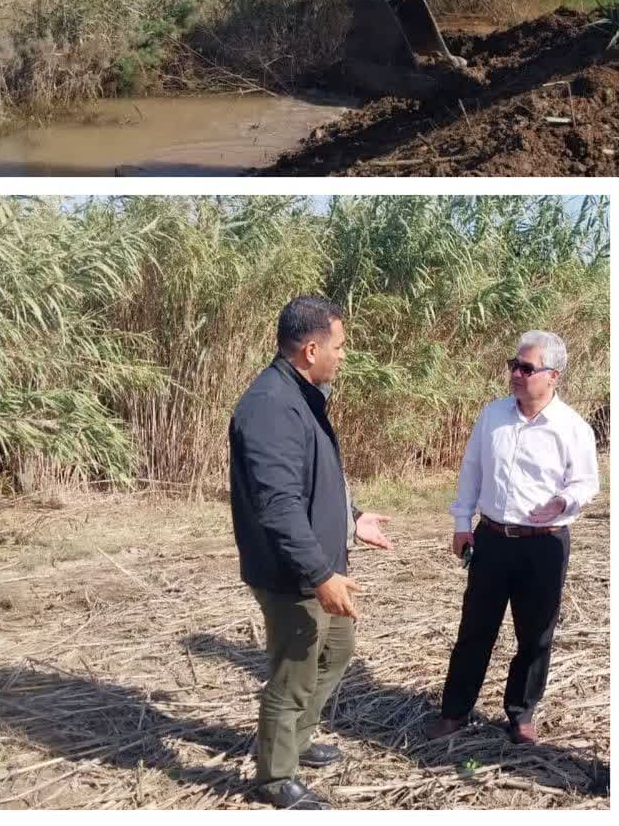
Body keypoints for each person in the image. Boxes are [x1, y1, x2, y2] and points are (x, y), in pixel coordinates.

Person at [229, 296, 394, 810]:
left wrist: (352, 517)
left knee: (337, 649)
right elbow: (277, 505)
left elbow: (313, 482)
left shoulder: (303, 394)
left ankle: (296, 740)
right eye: (339, 347)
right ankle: (275, 777)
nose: (343, 356)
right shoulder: (270, 407)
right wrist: (320, 572)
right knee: (294, 670)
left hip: (321, 565)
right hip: (293, 573)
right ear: (310, 348)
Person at [426, 330, 600, 746]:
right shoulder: (493, 416)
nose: (516, 374)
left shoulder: (572, 427)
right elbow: (472, 471)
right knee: (474, 629)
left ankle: (521, 714)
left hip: (544, 544)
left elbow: (586, 483)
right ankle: (454, 712)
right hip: (492, 539)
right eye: (513, 366)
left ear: (552, 376)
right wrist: (461, 524)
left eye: (527, 368)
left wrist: (563, 501)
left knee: (536, 635)